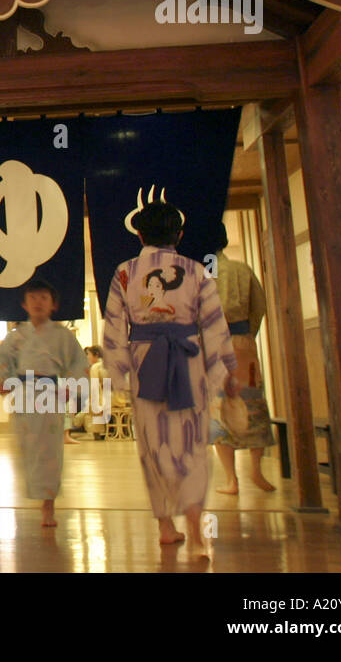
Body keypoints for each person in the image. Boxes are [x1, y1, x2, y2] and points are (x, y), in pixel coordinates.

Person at [100, 202, 239, 557]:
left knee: (153, 445)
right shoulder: (195, 271)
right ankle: (194, 531)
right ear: (178, 234)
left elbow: (114, 327)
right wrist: (223, 374)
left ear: (140, 234)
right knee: (191, 445)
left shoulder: (125, 272)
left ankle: (166, 526)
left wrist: (119, 375)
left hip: (144, 361)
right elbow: (213, 324)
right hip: (189, 360)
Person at [0, 278, 89, 527]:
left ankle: (48, 506)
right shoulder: (16, 337)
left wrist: (72, 388)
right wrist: (2, 381)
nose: (38, 302)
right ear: (24, 304)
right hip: (23, 395)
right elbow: (0, 360)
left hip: (51, 396)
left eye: (44, 298)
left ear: (53, 305)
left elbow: (78, 364)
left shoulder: (63, 336)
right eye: (33, 298)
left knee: (51, 451)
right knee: (27, 450)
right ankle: (37, 496)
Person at [209, 223, 276, 494]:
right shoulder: (243, 270)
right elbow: (259, 307)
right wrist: (248, 335)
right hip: (243, 343)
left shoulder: (201, 275)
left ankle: (231, 480)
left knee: (218, 412)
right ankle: (256, 470)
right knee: (252, 405)